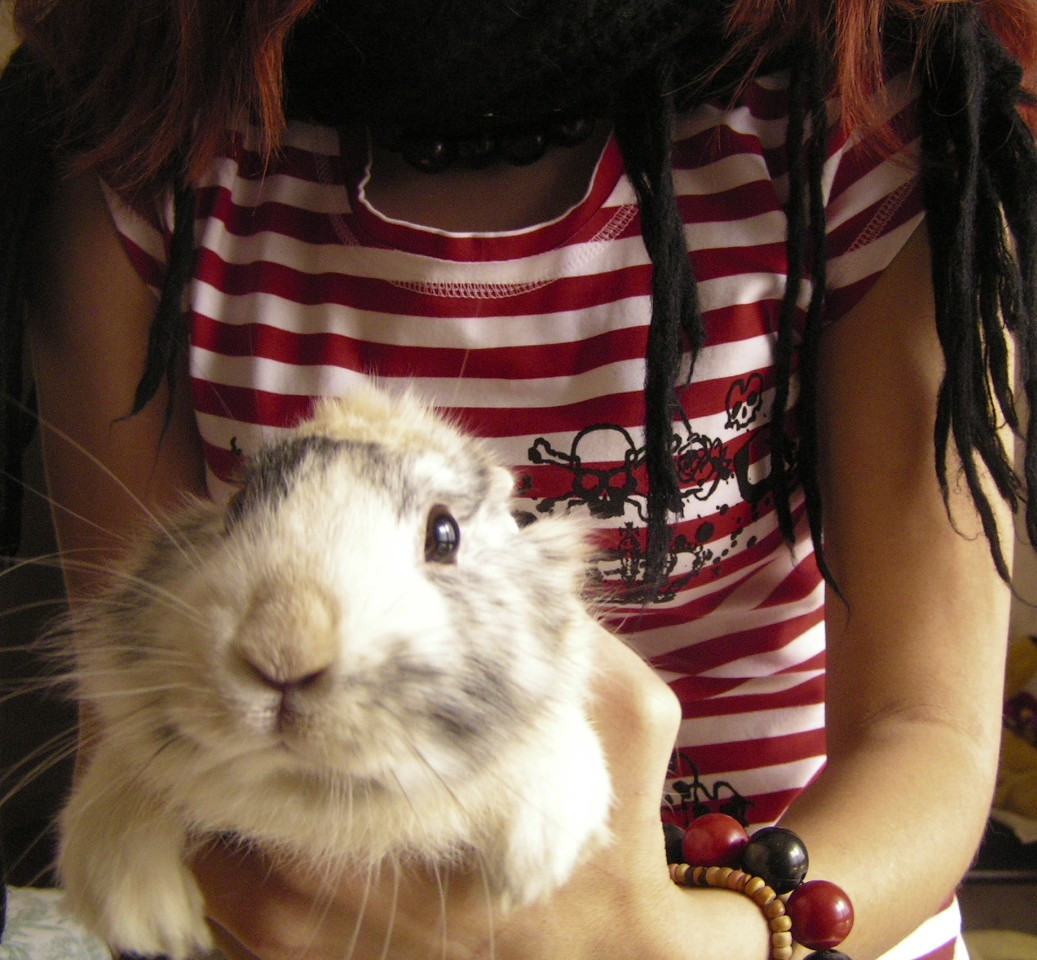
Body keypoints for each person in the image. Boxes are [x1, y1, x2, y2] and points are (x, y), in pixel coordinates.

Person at [1, 1, 1036, 958]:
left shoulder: (867, 117)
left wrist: (693, 939)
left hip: (791, 915)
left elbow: (925, 733)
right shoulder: (136, 142)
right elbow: (135, 699)